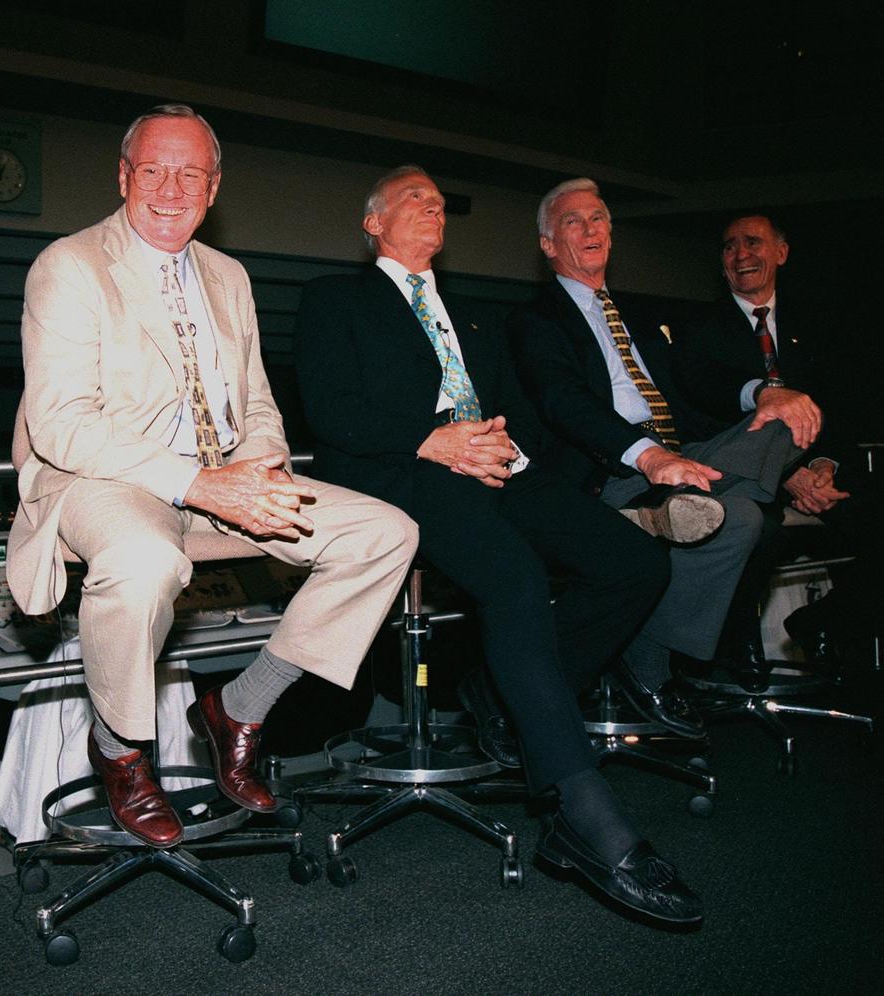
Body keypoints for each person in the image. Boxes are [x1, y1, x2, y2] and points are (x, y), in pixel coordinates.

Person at [294, 165, 701, 926]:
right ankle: (583, 815)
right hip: (401, 471)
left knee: (636, 562)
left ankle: (498, 696)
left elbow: (523, 414)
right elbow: (329, 410)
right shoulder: (335, 299)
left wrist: (504, 449)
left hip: (499, 466)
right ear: (372, 223)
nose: (432, 208)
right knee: (515, 579)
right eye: (414, 200)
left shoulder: (474, 314)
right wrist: (436, 442)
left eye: (441, 203)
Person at [6, 105, 417, 849]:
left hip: (219, 478)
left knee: (386, 533)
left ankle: (239, 708)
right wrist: (198, 485)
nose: (171, 188)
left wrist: (258, 466)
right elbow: (63, 425)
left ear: (215, 186)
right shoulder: (69, 266)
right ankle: (120, 752)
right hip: (103, 477)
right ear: (123, 176)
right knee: (142, 561)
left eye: (191, 172)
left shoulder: (228, 275)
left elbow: (256, 399)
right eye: (154, 170)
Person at [507, 179, 805, 726]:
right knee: (741, 518)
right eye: (574, 221)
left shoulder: (641, 315)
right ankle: (651, 664)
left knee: (785, 416)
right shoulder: (535, 320)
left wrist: (762, 392)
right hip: (612, 464)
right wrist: (647, 456)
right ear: (548, 244)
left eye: (599, 219)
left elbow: (695, 379)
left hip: (684, 451)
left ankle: (675, 506)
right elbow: (562, 401)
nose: (591, 229)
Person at [673, 214, 884, 673]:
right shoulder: (696, 329)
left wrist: (822, 464)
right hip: (744, 481)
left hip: (821, 477)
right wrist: (787, 473)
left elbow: (843, 405)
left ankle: (822, 620)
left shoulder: (821, 325)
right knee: (753, 532)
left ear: (781, 252)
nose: (741, 255)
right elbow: (699, 411)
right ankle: (732, 656)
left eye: (753, 242)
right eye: (729, 246)